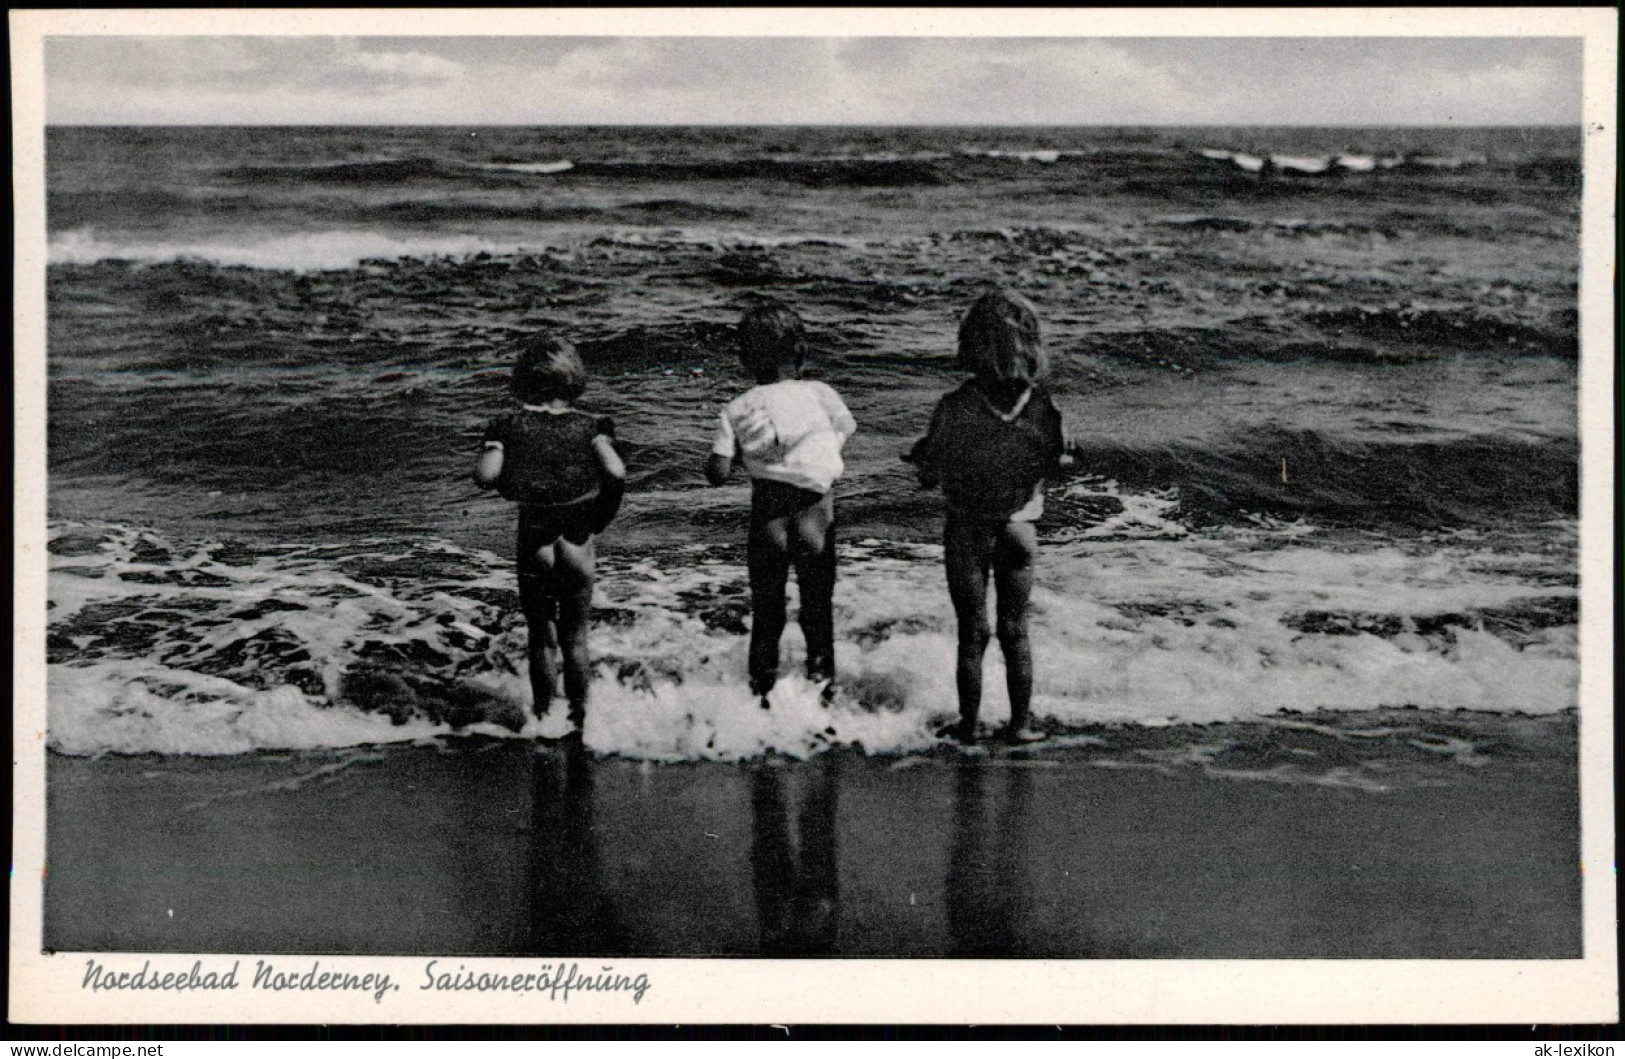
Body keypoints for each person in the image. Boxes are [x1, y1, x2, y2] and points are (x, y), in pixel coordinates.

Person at [906, 289, 1067, 745]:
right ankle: (1021, 725)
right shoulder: (1043, 406)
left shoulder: (955, 406)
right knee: (1016, 631)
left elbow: (932, 472)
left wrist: (923, 463)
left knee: (972, 633)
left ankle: (970, 726)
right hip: (1019, 528)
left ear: (969, 344)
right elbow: (1057, 460)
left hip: (968, 528)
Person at [706, 299, 856, 708]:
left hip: (768, 521)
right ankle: (824, 698)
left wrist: (735, 456)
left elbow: (717, 473)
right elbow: (844, 429)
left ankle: (762, 702)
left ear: (744, 359)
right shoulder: (821, 393)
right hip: (816, 518)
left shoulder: (736, 408)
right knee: (817, 612)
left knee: (767, 616)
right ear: (802, 353)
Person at [475, 335, 625, 734]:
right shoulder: (594, 426)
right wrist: (603, 515)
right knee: (576, 638)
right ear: (574, 381)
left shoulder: (507, 425)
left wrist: (503, 456)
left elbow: (485, 476)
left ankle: (543, 719)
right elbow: (616, 472)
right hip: (578, 543)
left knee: (541, 635)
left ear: (521, 383)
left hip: (535, 541)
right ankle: (579, 721)